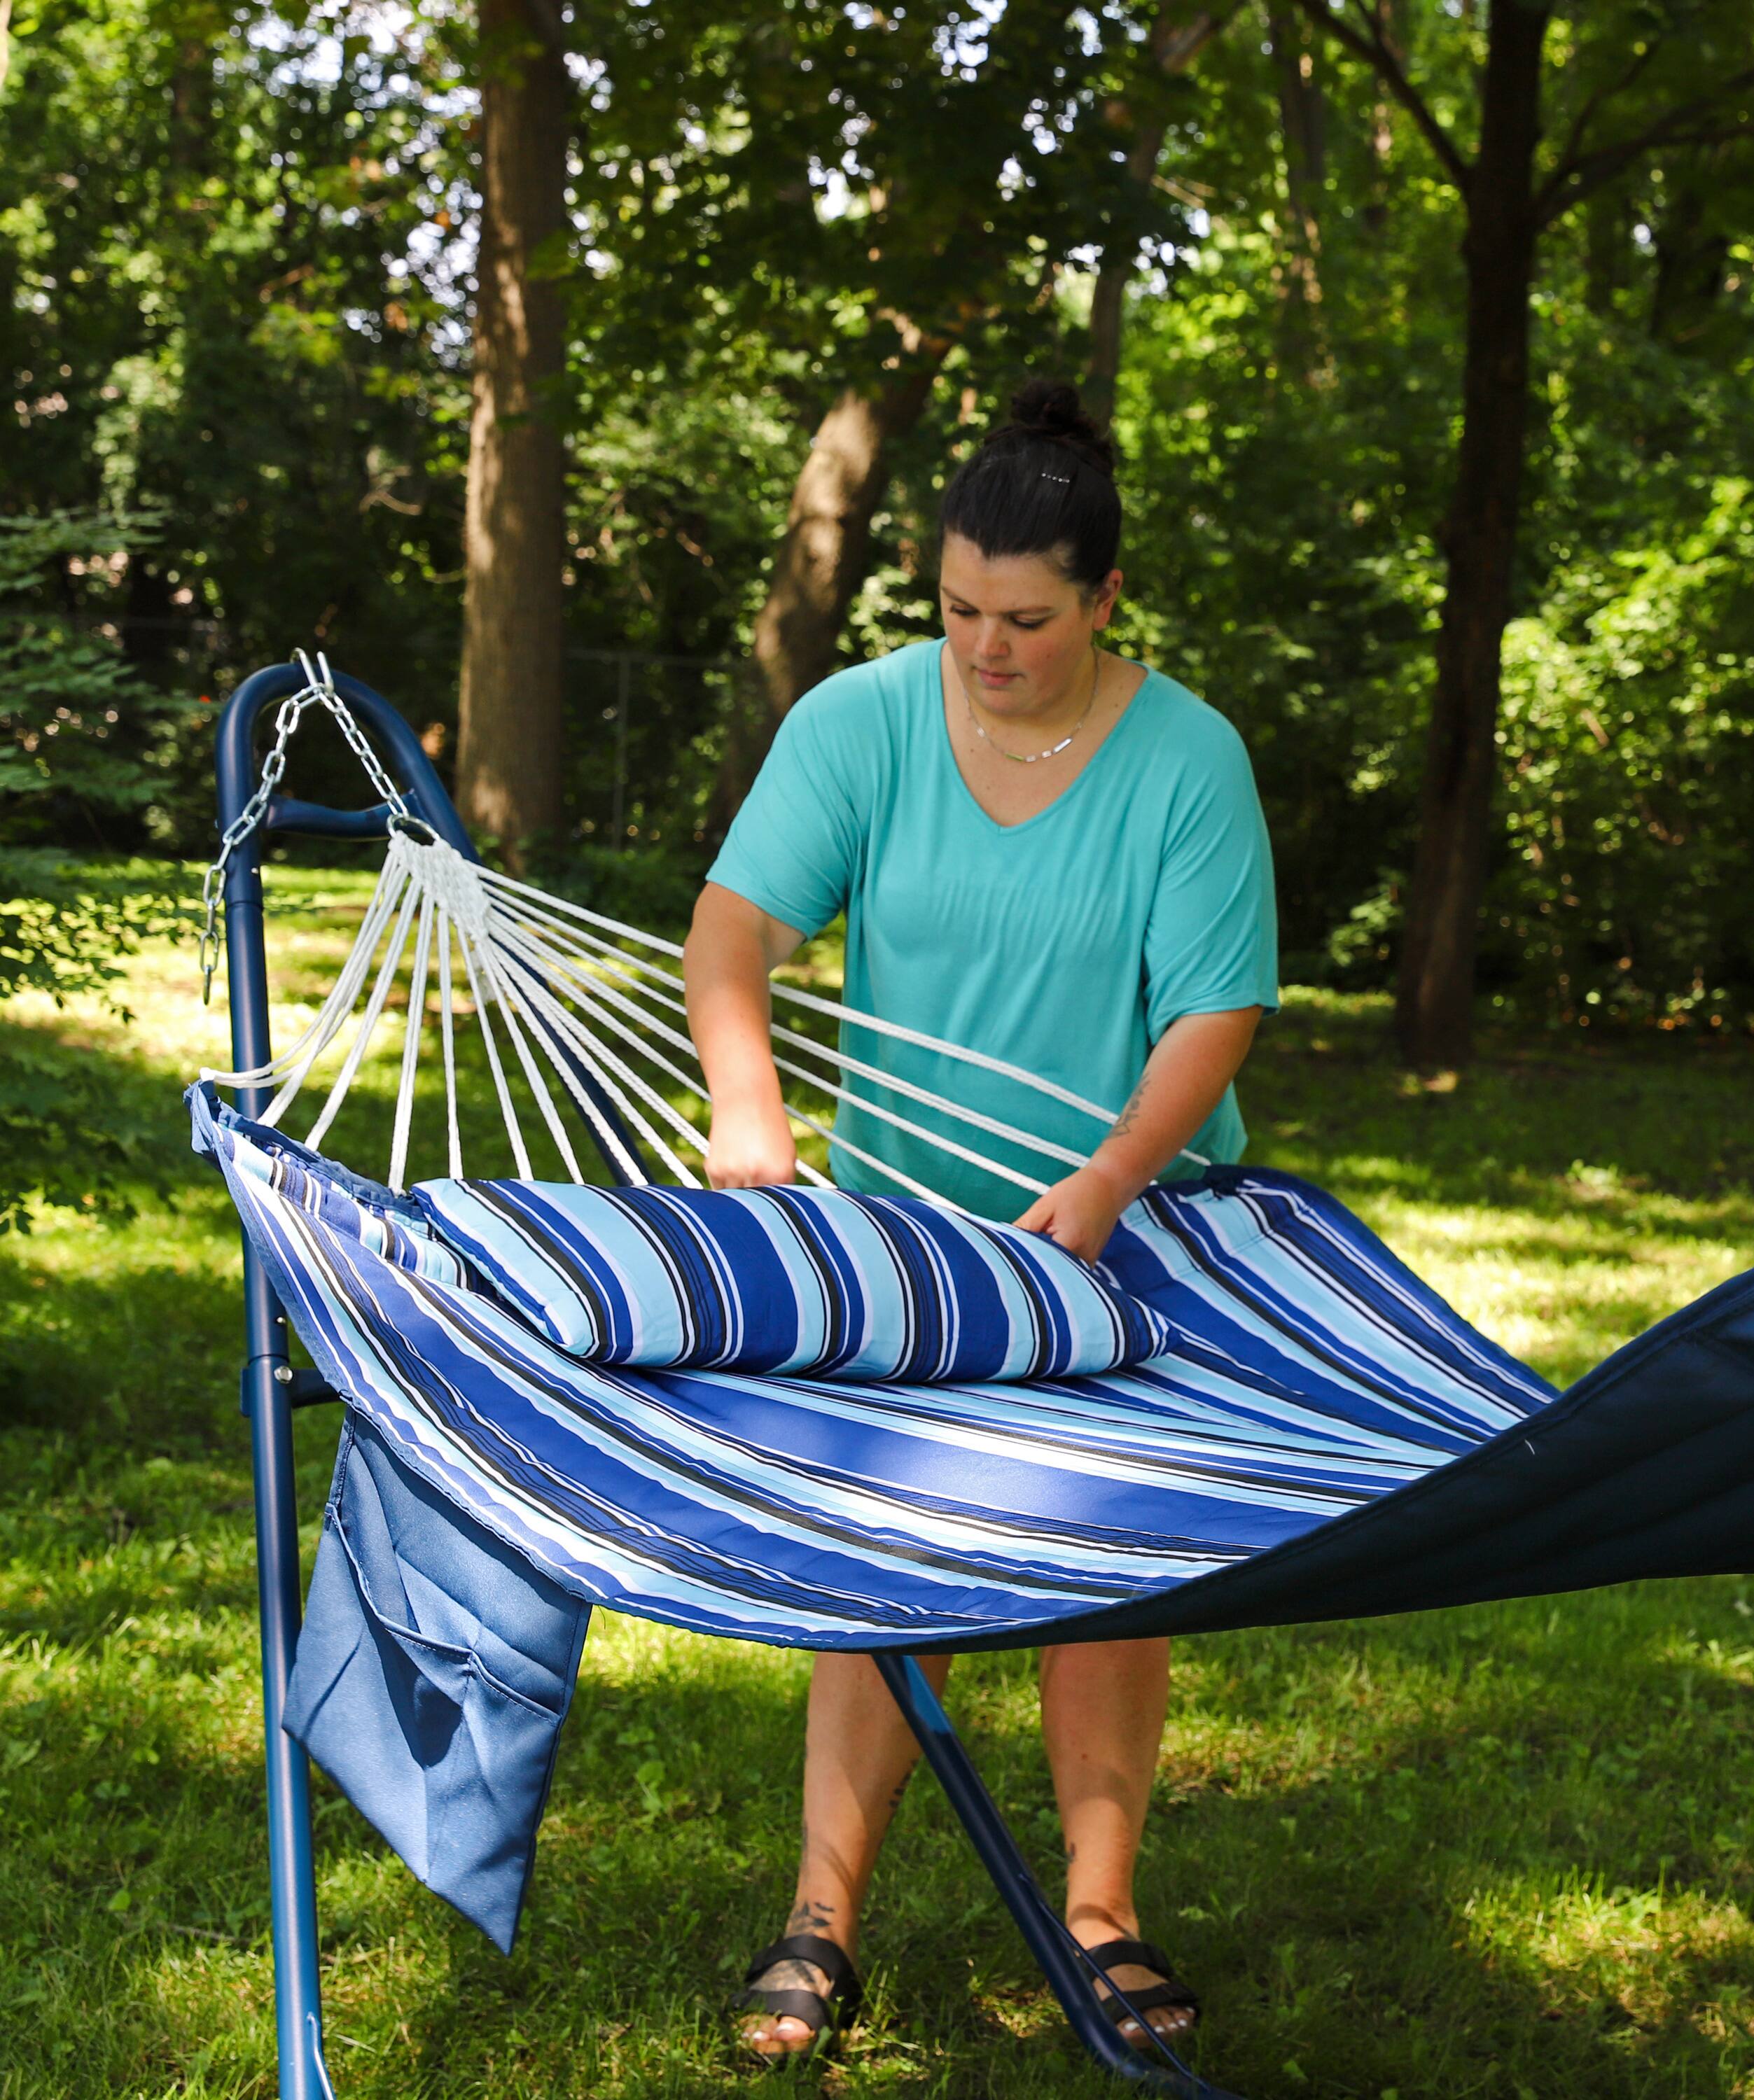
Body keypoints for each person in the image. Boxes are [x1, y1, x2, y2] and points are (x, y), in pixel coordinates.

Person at [683, 377, 1278, 2062]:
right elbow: (731, 942)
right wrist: (749, 1100)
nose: (987, 648)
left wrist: (1102, 1183)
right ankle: (820, 1914)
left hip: (1142, 1223)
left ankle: (1100, 1914)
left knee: (1105, 1559)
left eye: (1026, 618)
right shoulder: (864, 723)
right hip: (915, 1228)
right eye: (958, 611)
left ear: (1104, 599)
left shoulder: (1187, 760)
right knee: (891, 1564)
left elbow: (1213, 1015)